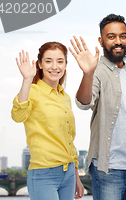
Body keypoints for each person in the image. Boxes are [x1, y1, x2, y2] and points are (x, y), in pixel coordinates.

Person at [72, 13, 126, 200]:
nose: (118, 41)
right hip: (108, 169)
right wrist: (88, 73)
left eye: (122, 36)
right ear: (101, 40)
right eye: (111, 37)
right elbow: (84, 103)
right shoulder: (97, 70)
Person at [11, 42, 84, 199]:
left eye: (60, 61)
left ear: (65, 64)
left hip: (69, 173)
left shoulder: (65, 97)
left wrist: (77, 176)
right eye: (48, 61)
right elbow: (18, 115)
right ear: (40, 64)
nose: (54, 66)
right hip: (44, 173)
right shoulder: (33, 91)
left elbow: (70, 140)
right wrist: (27, 80)